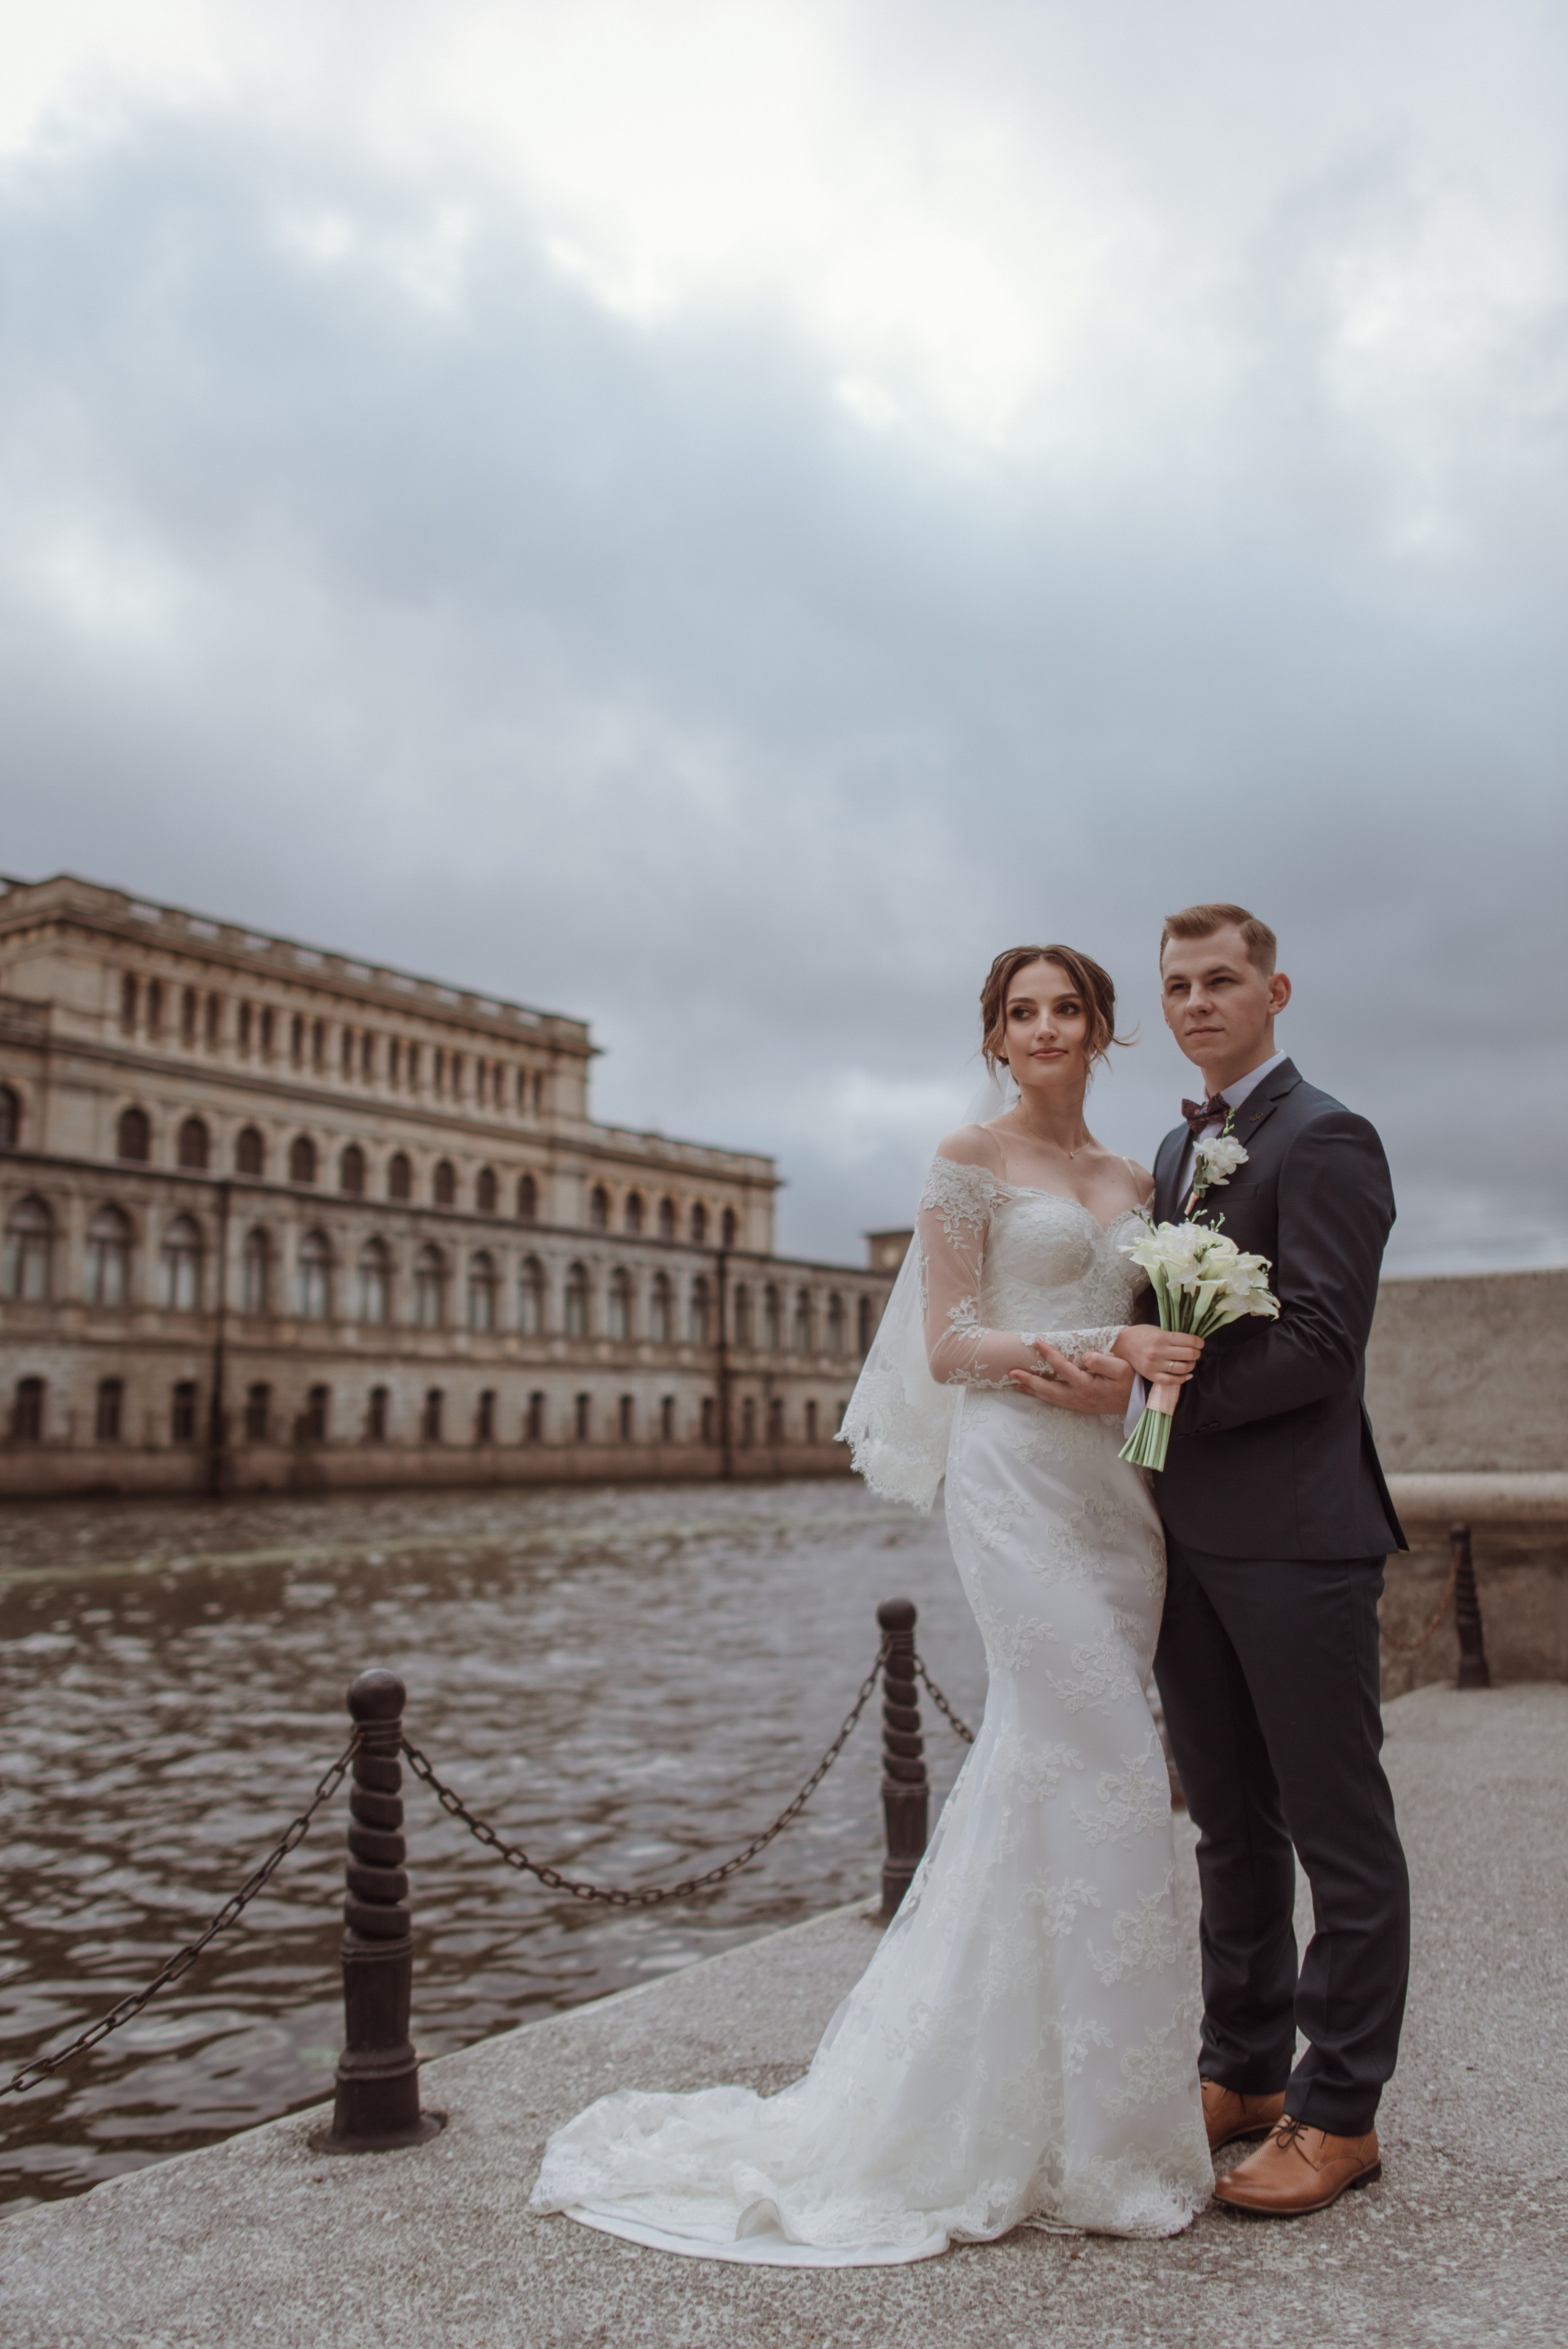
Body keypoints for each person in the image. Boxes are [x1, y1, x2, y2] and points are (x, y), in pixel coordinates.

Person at [529, 945, 1214, 2262]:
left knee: (1053, 1773)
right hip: (1012, 1480)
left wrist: (1136, 1373)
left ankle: (1076, 2112)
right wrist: (1098, 1344)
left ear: (1101, 1029)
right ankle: (1096, 2138)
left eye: (1066, 1008)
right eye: (1020, 1012)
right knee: (1114, 1760)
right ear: (995, 1037)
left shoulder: (1139, 1181)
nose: (1044, 1028)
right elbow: (946, 1346)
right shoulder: (968, 1155)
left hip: (1114, 1495)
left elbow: (1157, 1340)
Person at [1011, 903, 1408, 2219]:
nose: (1196, 1002)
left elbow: (1319, 1346)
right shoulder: (1179, 1149)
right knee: (1231, 1824)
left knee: (1337, 1830)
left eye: (1220, 980)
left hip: (1299, 1537)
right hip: (1183, 1536)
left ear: (1273, 992)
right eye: (1178, 985)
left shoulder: (1328, 1136)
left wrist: (1152, 1402)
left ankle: (1338, 2111)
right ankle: (1240, 2066)